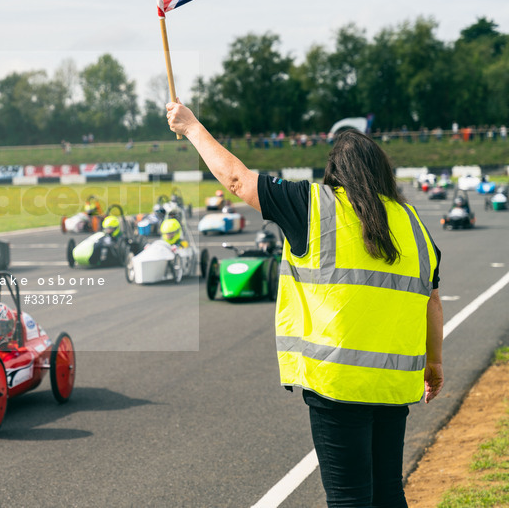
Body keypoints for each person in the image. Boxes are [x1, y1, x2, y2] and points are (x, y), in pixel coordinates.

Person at [166, 101, 443, 508]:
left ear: (335, 175)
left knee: (349, 498)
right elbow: (431, 301)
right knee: (386, 492)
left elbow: (238, 181)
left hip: (336, 383)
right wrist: (434, 363)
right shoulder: (413, 222)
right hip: (391, 386)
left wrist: (191, 127)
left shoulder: (313, 204)